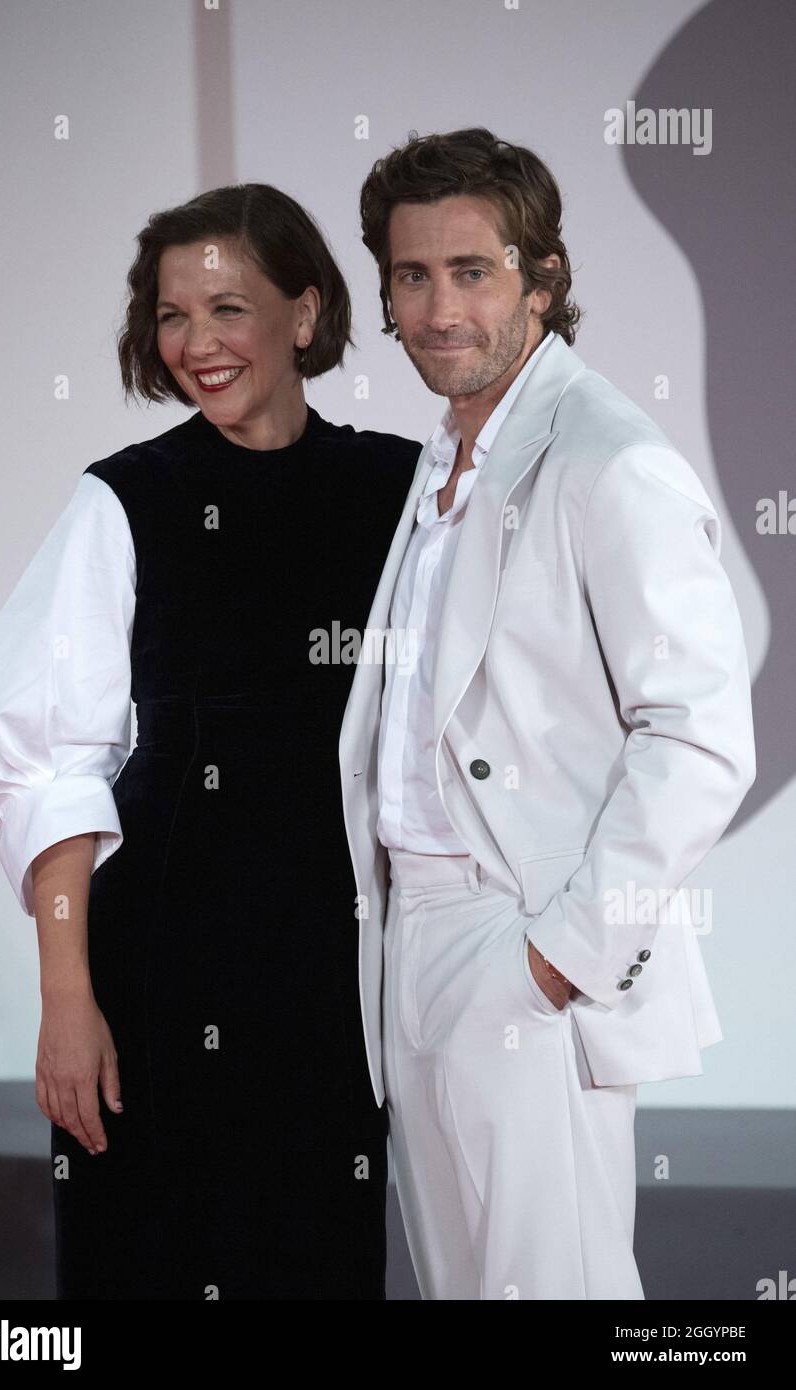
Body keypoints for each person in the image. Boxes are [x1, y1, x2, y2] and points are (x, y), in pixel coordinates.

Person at [0, 182, 422, 1300]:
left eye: (227, 308)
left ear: (304, 315)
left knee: (312, 1257)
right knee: (148, 1256)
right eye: (171, 315)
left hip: (332, 968)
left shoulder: (400, 490)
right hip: (159, 955)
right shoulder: (127, 500)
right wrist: (68, 1001)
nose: (195, 343)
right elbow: (41, 759)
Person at [338, 127, 757, 1299]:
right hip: (410, 936)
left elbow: (697, 737)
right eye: (410, 276)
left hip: (517, 940)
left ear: (543, 276)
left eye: (470, 271)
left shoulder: (609, 458)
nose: (436, 308)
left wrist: (555, 957)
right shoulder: (444, 460)